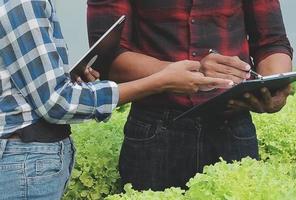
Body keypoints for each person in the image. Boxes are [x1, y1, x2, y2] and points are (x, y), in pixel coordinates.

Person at [0, 0, 232, 199]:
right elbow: (59, 103)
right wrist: (160, 81)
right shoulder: (23, 3)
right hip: (23, 160)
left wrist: (65, 77)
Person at [87, 0, 293, 191]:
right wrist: (191, 73)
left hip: (233, 124)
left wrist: (274, 84)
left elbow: (271, 42)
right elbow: (107, 58)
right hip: (155, 131)